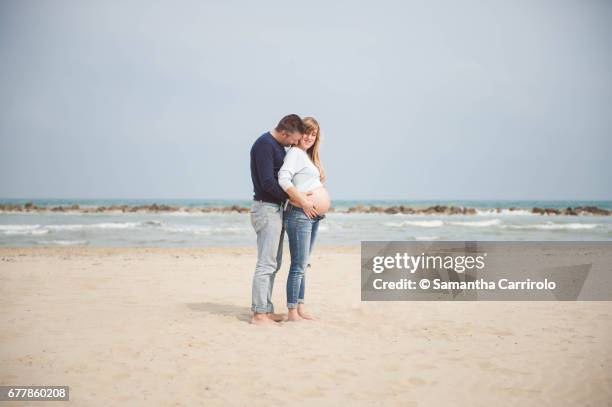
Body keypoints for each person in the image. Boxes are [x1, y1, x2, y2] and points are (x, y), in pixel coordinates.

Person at [249, 114, 306, 325]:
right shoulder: (265, 145)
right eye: (293, 140)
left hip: (275, 209)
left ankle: (265, 309)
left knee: (275, 262)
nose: (294, 144)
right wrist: (294, 198)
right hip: (266, 209)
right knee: (266, 263)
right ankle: (258, 314)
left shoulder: (277, 146)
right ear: (284, 133)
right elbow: (267, 183)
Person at [278, 117, 330, 321]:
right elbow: (283, 178)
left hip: (312, 216)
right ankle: (292, 311)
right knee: (298, 265)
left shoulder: (307, 156)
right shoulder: (295, 153)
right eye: (306, 132)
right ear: (299, 133)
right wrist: (302, 201)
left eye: (313, 134)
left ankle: (299, 307)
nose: (309, 137)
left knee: (304, 263)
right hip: (300, 215)